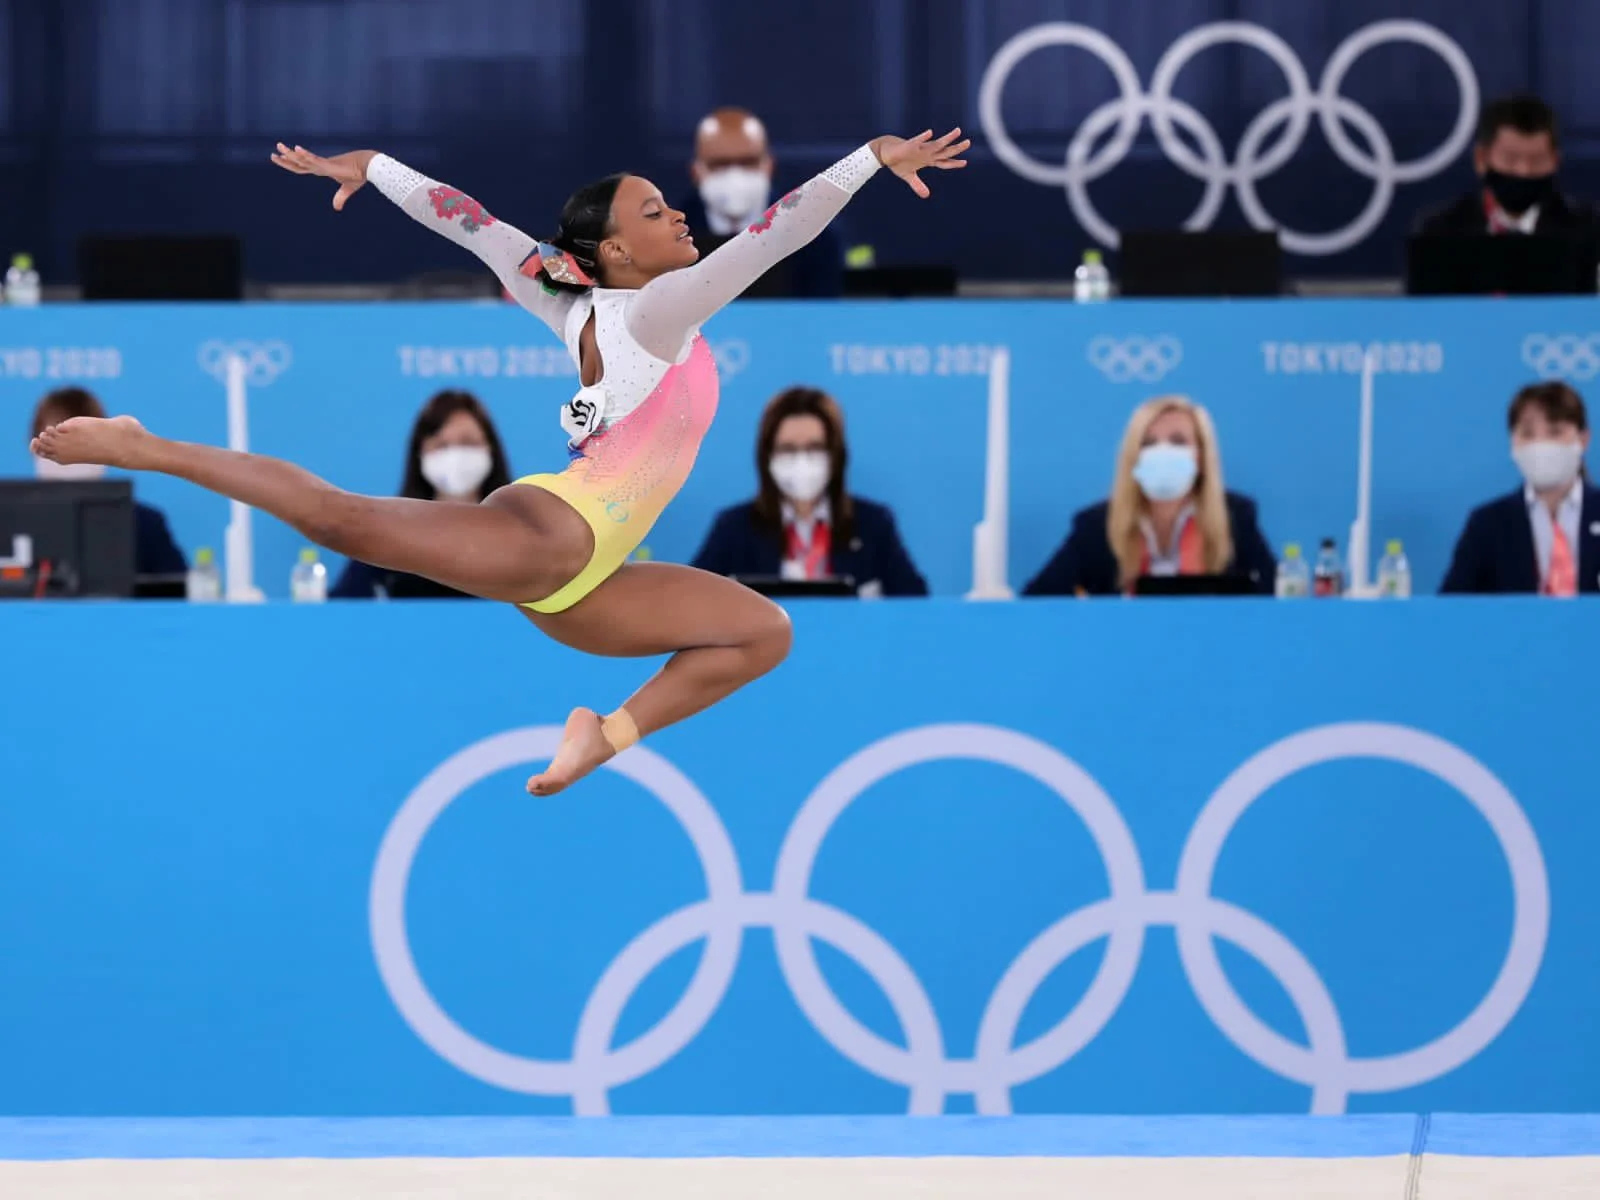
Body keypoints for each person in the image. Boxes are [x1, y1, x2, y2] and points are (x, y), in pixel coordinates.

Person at [31, 126, 968, 794]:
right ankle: (147, 445)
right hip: (553, 541)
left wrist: (377, 166)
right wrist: (868, 161)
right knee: (343, 521)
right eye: (656, 209)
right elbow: (776, 235)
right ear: (613, 249)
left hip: (591, 588)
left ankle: (603, 735)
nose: (679, 214)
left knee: (764, 633)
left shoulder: (579, 303)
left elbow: (467, 222)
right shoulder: (657, 309)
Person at [1023, 395, 1275, 596]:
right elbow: (1037, 601)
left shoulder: (1235, 517)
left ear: (1201, 457)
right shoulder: (1096, 525)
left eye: (1178, 441)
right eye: (1149, 443)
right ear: (1133, 457)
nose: (1163, 451)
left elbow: (1278, 600)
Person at [691, 385, 927, 596]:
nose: (801, 461)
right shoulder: (734, 528)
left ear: (836, 454)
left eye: (815, 448)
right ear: (767, 456)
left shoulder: (872, 524)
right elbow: (692, 600)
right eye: (788, 449)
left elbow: (914, 607)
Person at [331, 389, 513, 599]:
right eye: (441, 445)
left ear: (490, 449)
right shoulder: (392, 529)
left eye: (468, 442)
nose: (454, 456)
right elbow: (344, 607)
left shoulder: (516, 527)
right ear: (420, 453)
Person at [1441, 381, 1599, 595]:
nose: (1541, 445)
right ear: (1513, 442)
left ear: (1583, 439)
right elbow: (1451, 608)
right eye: (1528, 434)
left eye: (1555, 432)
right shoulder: (1487, 524)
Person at [677, 107, 846, 299]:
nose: (735, 175)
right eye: (719, 164)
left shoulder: (815, 233)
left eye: (748, 162)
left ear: (769, 166)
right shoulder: (669, 238)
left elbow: (823, 317)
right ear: (696, 171)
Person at [27, 388, 187, 581]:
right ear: (34, 447)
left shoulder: (146, 525)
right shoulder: (10, 524)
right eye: (52, 443)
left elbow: (179, 596)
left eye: (80, 445)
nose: (68, 458)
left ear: (105, 452)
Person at [1414, 94, 1598, 237]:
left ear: (1555, 161)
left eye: (1537, 161)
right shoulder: (1439, 231)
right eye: (1511, 159)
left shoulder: (1590, 229)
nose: (1524, 172)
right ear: (1481, 159)